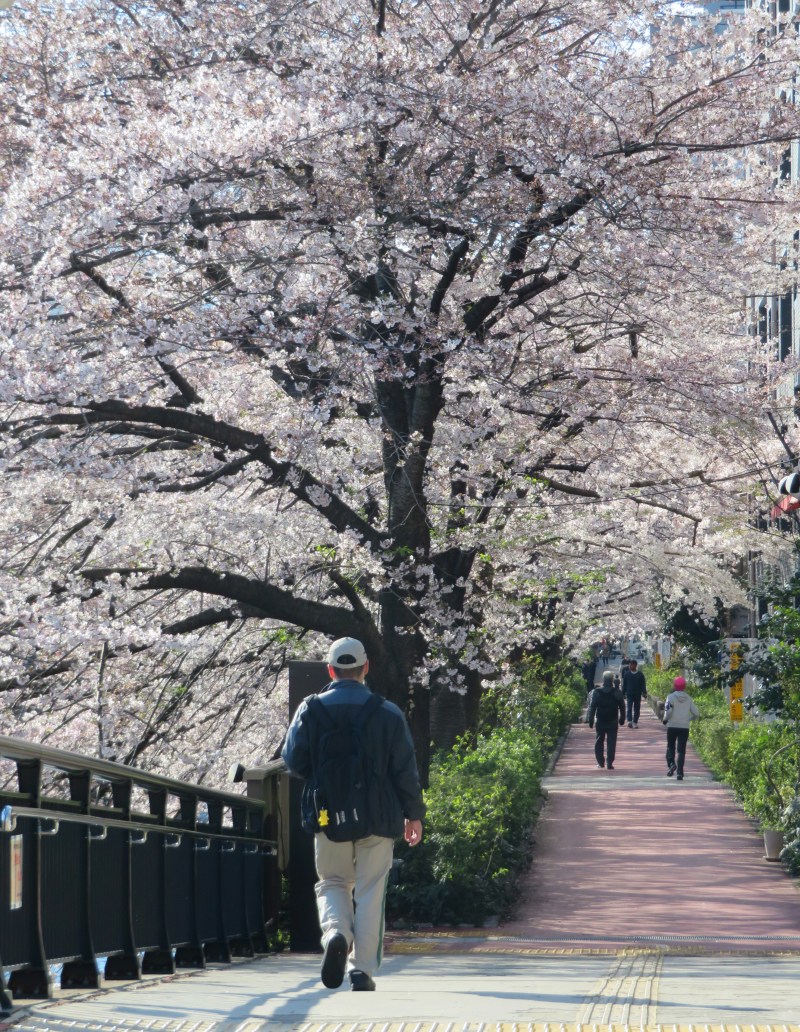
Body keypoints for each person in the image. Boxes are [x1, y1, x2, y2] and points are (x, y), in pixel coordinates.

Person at [281, 637, 425, 993]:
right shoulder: (387, 712)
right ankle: (362, 970)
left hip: (328, 816)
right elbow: (405, 769)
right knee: (371, 889)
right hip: (378, 818)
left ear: (330, 670)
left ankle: (336, 932)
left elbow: (293, 760)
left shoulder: (310, 709)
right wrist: (414, 814)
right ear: (366, 668)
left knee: (331, 881)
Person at [662, 675, 700, 781]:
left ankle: (671, 764)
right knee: (681, 750)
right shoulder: (688, 698)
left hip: (672, 725)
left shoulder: (670, 697)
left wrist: (666, 719)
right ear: (684, 686)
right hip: (684, 727)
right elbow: (696, 713)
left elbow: (668, 711)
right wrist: (689, 719)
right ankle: (680, 773)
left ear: (674, 685)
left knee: (670, 747)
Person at [587, 669, 626, 770]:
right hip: (613, 720)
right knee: (611, 742)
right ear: (612, 680)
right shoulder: (617, 692)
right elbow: (622, 707)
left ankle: (600, 762)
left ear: (603, 680)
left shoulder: (597, 692)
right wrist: (622, 718)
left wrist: (590, 720)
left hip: (600, 720)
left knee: (599, 741)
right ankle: (609, 762)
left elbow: (592, 707)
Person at [623, 659, 647, 728]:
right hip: (629, 694)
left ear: (635, 665)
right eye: (629, 664)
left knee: (637, 708)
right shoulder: (627, 674)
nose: (630, 666)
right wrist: (623, 693)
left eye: (631, 664)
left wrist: (644, 692)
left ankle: (635, 722)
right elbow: (624, 685)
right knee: (629, 707)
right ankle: (630, 721)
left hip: (637, 694)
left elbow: (643, 684)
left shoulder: (640, 674)